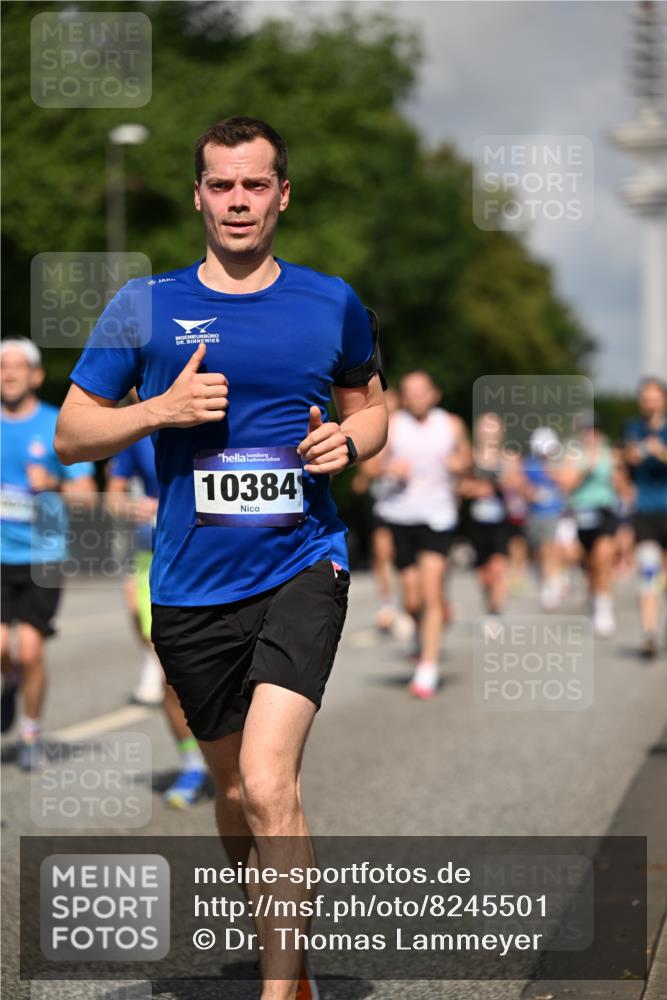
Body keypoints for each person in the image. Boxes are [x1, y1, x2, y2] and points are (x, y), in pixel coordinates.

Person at [55, 116, 388, 999]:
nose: (237, 201)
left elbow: (370, 406)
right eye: (219, 185)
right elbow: (73, 433)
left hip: (302, 562)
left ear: (283, 192)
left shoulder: (331, 302)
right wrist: (158, 410)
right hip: (192, 584)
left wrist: (348, 445)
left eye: (254, 184)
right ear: (198, 193)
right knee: (234, 796)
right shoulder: (145, 305)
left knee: (270, 778)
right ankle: (289, 956)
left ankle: (280, 988)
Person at [1, 338, 96, 770]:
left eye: (18, 367)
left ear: (36, 376)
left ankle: (30, 733)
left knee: (31, 651)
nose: (9, 374)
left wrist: (52, 486)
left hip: (43, 555)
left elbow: (87, 497)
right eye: (3, 367)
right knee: (3, 649)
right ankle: (10, 683)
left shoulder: (58, 424)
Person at [106, 432, 209, 807]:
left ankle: (246, 760)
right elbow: (114, 496)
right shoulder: (134, 436)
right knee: (171, 673)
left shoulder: (211, 415)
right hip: (154, 555)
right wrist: (129, 507)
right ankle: (193, 764)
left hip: (210, 554)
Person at [372, 370, 470, 698]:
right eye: (409, 391)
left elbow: (469, 461)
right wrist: (388, 469)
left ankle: (428, 665)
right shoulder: (393, 423)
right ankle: (425, 626)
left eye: (421, 391)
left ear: (434, 394)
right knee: (412, 599)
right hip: (399, 516)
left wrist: (459, 464)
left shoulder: (451, 424)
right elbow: (370, 467)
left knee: (430, 592)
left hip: (437, 517)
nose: (415, 396)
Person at [557, 415, 622, 638]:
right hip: (580, 513)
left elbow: (622, 483)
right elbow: (565, 484)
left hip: (605, 511)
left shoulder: (610, 452)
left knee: (602, 557)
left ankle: (604, 608)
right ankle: (595, 601)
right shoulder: (572, 454)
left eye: (593, 429)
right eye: (585, 430)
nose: (589, 434)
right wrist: (585, 469)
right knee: (588, 565)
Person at [623, 377, 667, 659]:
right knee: (648, 572)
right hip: (645, 512)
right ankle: (649, 633)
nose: (650, 402)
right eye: (646, 397)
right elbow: (626, 458)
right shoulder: (633, 428)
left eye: (655, 396)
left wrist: (659, 452)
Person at [458, 412, 513, 616]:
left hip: (500, 521)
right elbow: (460, 487)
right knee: (483, 574)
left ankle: (497, 609)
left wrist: (507, 483)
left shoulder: (509, 457)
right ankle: (489, 603)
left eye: (494, 428)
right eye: (485, 428)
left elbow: (519, 487)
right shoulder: (469, 458)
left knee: (498, 567)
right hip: (476, 522)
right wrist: (478, 489)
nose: (489, 434)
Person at [521, 426, 567, 610]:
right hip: (534, 513)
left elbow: (566, 483)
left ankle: (552, 584)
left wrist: (554, 473)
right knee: (538, 550)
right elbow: (521, 485)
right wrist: (529, 492)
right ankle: (548, 578)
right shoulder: (529, 464)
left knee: (551, 547)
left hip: (554, 513)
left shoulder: (558, 464)